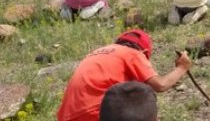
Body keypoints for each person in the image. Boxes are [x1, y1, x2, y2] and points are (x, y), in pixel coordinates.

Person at [56, 30, 192, 121]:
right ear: (144, 51)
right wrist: (182, 68)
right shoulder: (132, 53)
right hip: (96, 114)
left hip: (65, 116)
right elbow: (160, 85)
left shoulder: (97, 53)